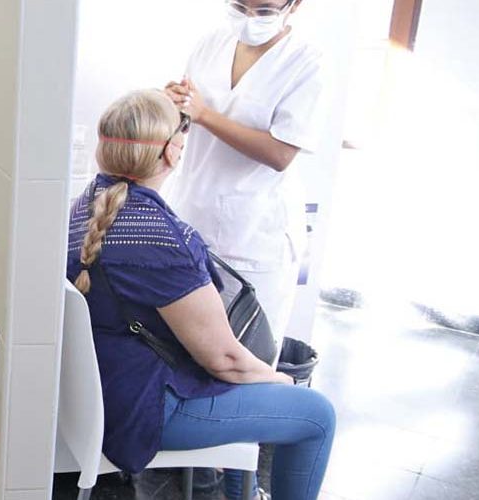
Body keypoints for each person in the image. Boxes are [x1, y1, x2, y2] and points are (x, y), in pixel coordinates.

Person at [66, 89, 334, 500]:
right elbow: (225, 360)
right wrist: (280, 380)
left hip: (97, 395)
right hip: (146, 409)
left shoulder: (83, 206)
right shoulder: (163, 239)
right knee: (317, 415)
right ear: (172, 151)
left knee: (252, 385)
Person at [162, 0, 326, 349]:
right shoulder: (211, 44)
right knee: (185, 353)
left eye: (264, 10)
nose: (250, 18)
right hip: (191, 215)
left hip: (253, 235)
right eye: (240, 6)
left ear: (294, 5)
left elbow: (280, 154)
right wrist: (173, 105)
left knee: (245, 357)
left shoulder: (306, 63)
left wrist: (205, 115)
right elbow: (188, 119)